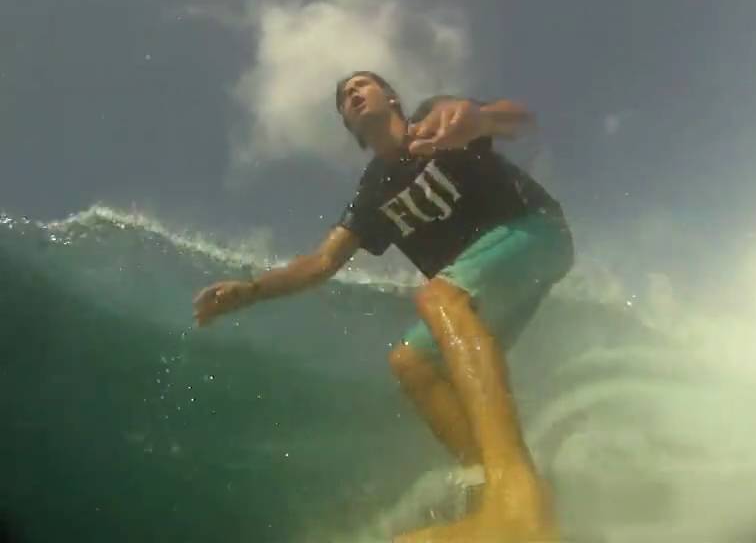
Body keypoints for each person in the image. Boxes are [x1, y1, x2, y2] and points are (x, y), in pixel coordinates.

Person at [193, 71, 574, 542]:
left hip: (537, 232)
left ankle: (519, 500)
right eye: (344, 99)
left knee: (439, 296)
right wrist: (250, 290)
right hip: (490, 281)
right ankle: (492, 494)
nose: (352, 94)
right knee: (412, 362)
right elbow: (321, 262)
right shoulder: (373, 192)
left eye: (361, 86)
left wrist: (478, 118)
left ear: (390, 96)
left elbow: (517, 119)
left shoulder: (436, 119)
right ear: (350, 127)